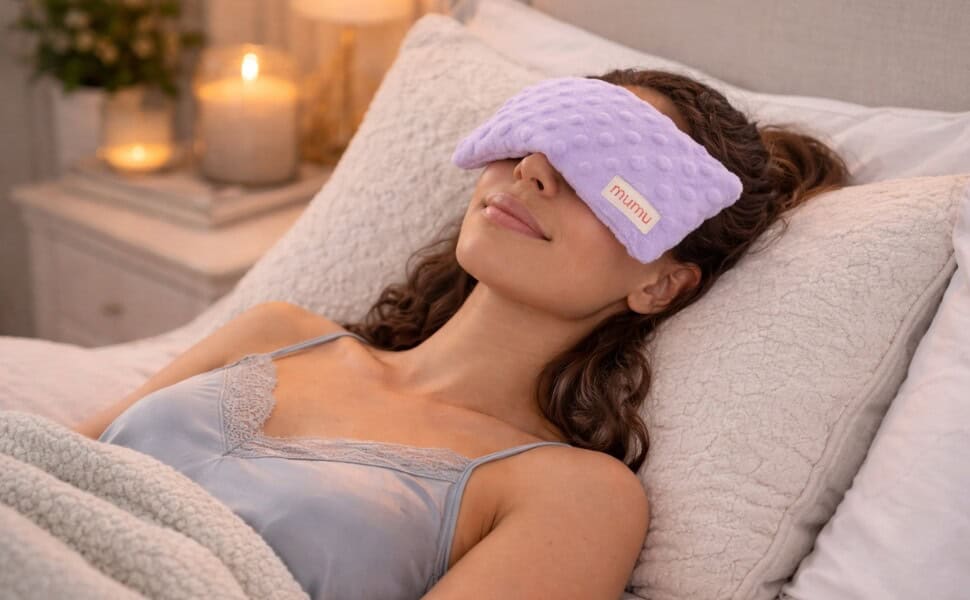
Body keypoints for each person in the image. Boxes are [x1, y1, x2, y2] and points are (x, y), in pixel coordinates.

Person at [73, 68, 849, 600]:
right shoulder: (276, 333)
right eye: (539, 137)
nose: (536, 169)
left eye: (601, 170)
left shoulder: (574, 496)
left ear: (659, 282)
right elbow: (54, 458)